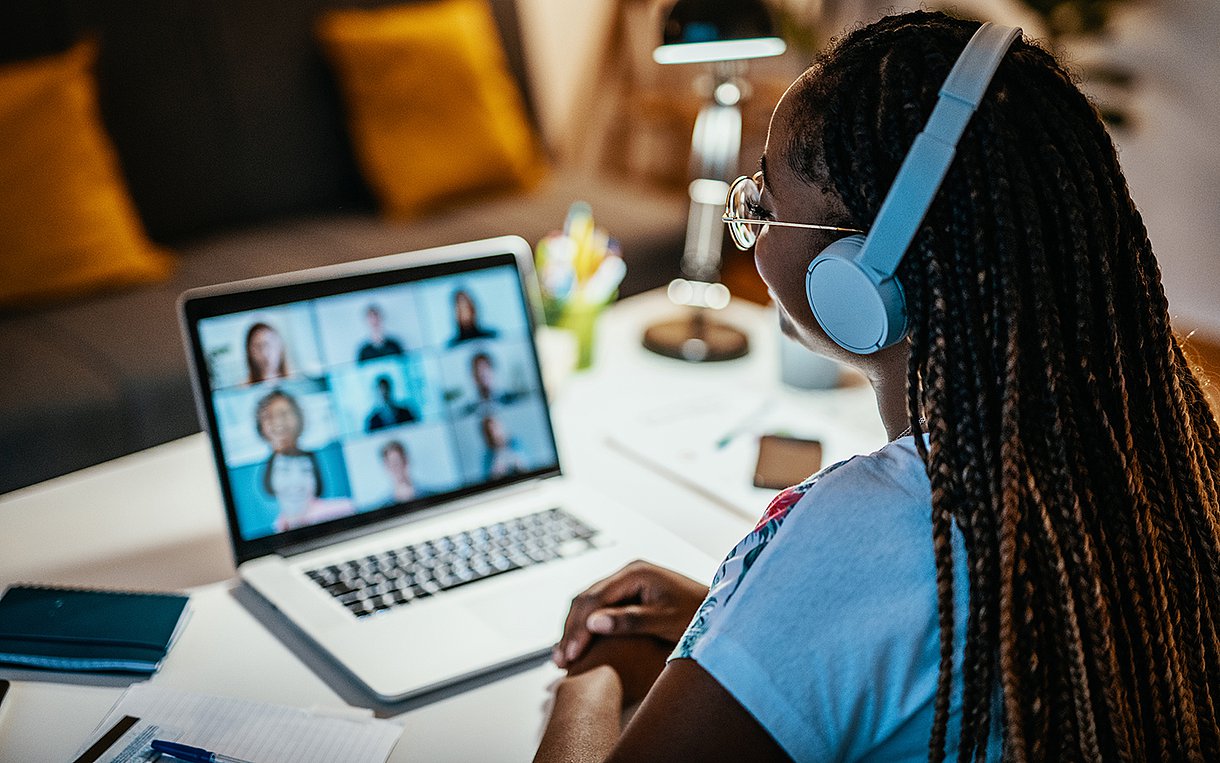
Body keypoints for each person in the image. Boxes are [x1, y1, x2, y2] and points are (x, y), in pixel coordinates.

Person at [536, 12, 1220, 762]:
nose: (753, 229)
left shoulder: (871, 525)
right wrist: (744, 635)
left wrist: (595, 675)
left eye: (763, 204)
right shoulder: (1162, 460)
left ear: (865, 276)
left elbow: (878, 586)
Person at [254, 390, 354, 531]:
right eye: (269, 417)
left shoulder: (344, 509)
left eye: (284, 414)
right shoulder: (278, 527)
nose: (278, 422)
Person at [480, 415, 526, 479]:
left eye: (495, 428)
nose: (494, 434)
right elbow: (487, 478)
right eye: (489, 431)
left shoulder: (515, 442)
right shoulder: (488, 456)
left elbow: (525, 466)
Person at [379, 439, 418, 505]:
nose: (396, 468)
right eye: (391, 464)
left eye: (398, 462)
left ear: (406, 461)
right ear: (386, 467)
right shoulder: (383, 505)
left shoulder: (431, 494)